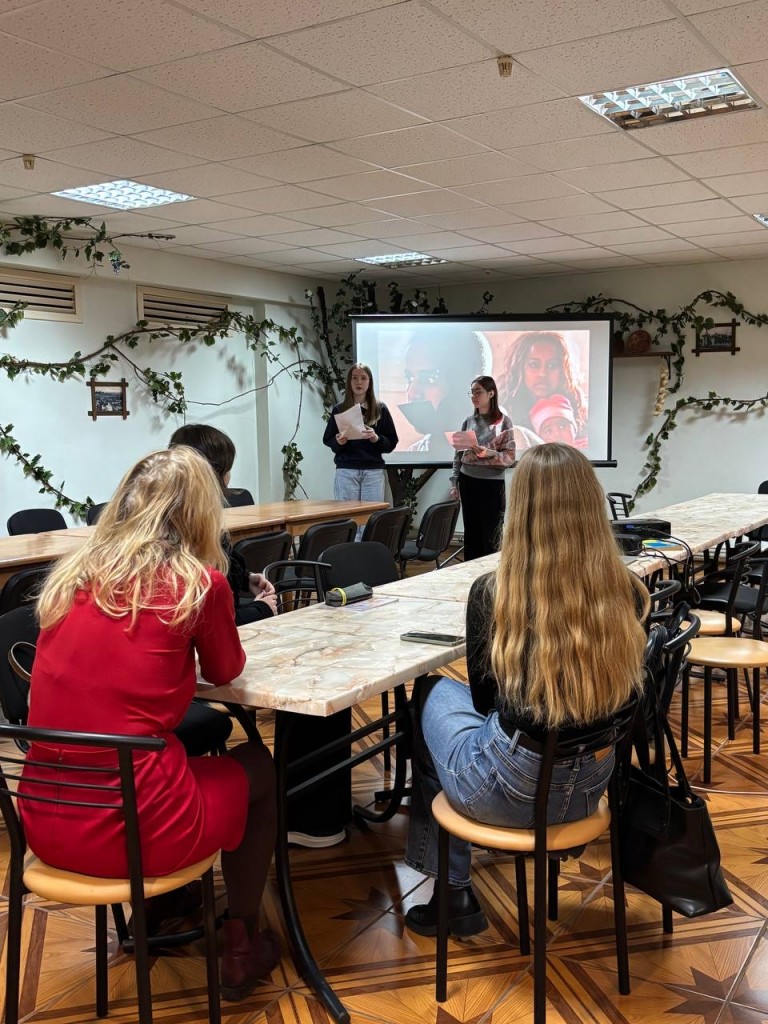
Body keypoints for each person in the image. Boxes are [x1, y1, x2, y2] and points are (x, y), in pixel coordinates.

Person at [20, 447, 280, 1000]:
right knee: (258, 765)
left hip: (45, 820)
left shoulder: (69, 581)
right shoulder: (198, 583)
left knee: (169, 750)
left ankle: (162, 910)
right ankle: (241, 942)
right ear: (201, 514)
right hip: (138, 832)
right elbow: (226, 670)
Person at [404, 443, 649, 937]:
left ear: (520, 510)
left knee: (429, 694)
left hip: (509, 790)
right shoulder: (625, 589)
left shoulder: (494, 593)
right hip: (590, 788)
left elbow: (484, 703)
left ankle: (452, 892)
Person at [168, 424, 277, 625]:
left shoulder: (188, 521)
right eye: (227, 470)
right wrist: (259, 610)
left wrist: (245, 579)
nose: (229, 478)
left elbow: (224, 568)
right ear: (213, 476)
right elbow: (207, 622)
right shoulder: (188, 537)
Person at [323, 364, 398, 531]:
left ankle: (366, 546)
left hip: (372, 471)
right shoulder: (340, 409)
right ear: (349, 382)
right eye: (355, 378)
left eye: (363, 378)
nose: (359, 382)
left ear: (369, 382)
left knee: (370, 518)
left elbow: (392, 442)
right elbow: (328, 439)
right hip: (347, 470)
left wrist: (376, 438)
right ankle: (350, 546)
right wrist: (338, 442)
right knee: (347, 518)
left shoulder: (380, 409)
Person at [449, 375, 516, 561]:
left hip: (491, 484)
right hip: (468, 481)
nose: (474, 396)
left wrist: (490, 454)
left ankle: (490, 573)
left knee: (491, 532)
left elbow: (510, 458)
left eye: (478, 392)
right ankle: (471, 571)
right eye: (472, 392)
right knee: (471, 531)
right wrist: (454, 482)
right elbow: (458, 455)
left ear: (491, 393)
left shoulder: (504, 422)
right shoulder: (468, 421)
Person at [402, 332, 486, 458]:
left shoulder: (508, 443)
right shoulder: (416, 451)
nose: (412, 393)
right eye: (409, 378)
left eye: (428, 379)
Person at [501, 332, 587, 439]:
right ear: (520, 368)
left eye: (551, 365)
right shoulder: (502, 411)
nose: (542, 373)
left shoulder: (580, 412)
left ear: (563, 370)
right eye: (534, 365)